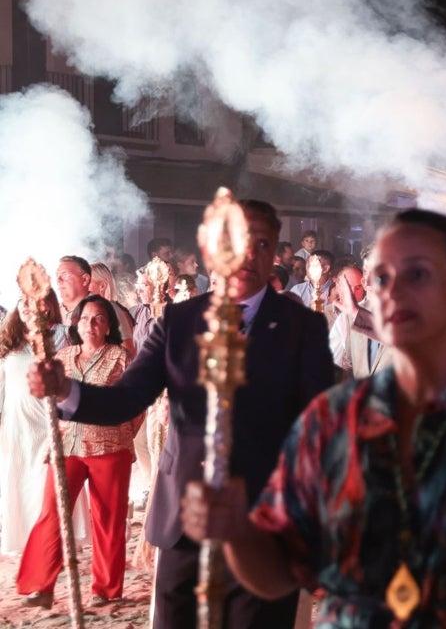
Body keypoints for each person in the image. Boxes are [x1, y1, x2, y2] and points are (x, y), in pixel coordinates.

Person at [180, 208, 446, 627]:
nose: (393, 291)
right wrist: (235, 530)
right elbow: (278, 576)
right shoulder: (333, 417)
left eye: (416, 275)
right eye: (381, 278)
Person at [28, 198, 334, 629]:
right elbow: (127, 397)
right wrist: (66, 391)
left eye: (262, 244)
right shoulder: (179, 320)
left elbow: (317, 427)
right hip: (183, 520)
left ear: (272, 252)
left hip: (263, 524)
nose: (248, 255)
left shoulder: (302, 326)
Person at [18, 295, 140, 608]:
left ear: (109, 325)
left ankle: (106, 590)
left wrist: (126, 436)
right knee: (52, 513)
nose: (91, 325)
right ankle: (40, 586)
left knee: (108, 520)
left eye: (99, 318)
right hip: (67, 446)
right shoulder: (64, 357)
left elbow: (136, 405)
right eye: (85, 318)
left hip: (109, 448)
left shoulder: (120, 358)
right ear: (77, 323)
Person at [0, 290, 82, 558]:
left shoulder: (61, 335)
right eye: (22, 302)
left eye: (33, 302)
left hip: (49, 421)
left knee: (44, 482)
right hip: (16, 424)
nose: (26, 307)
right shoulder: (8, 340)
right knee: (21, 480)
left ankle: (50, 543)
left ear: (47, 306)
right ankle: (25, 541)